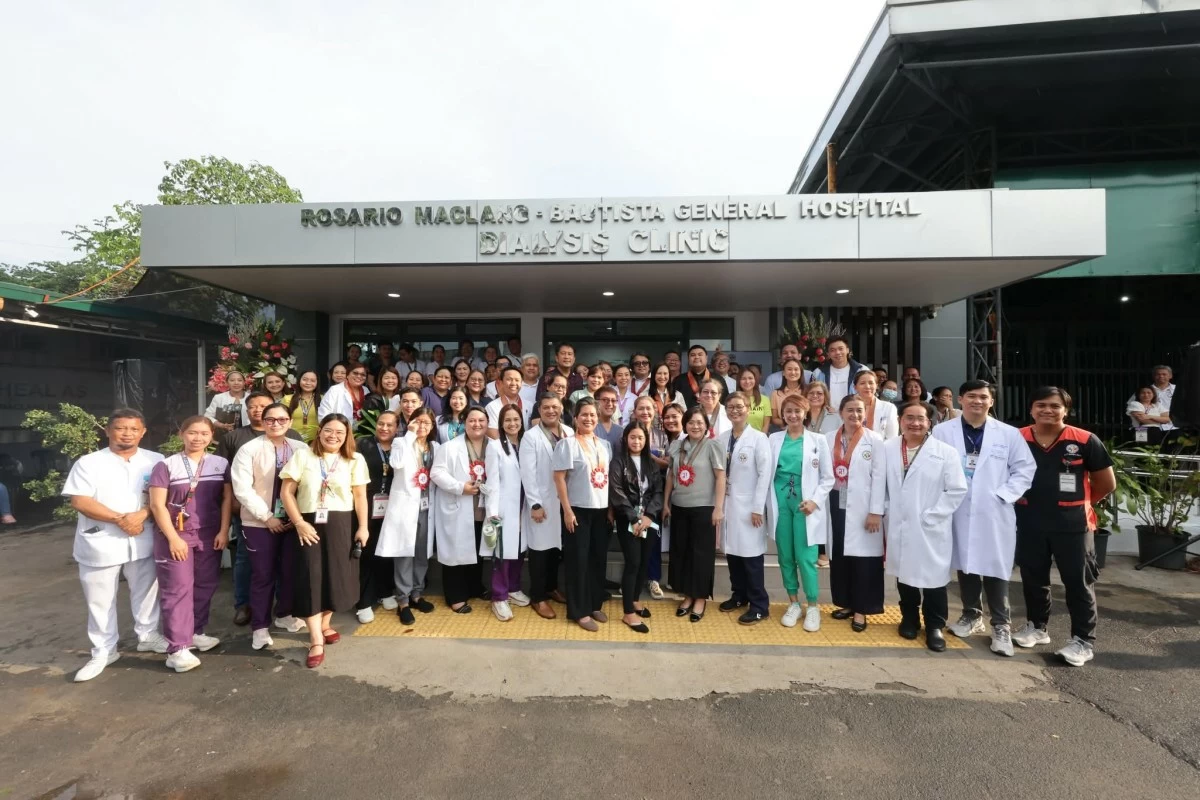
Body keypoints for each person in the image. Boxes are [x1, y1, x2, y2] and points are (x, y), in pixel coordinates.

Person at [1012, 386, 1116, 667]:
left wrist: (1079, 502)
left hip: (1073, 525)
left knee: (1078, 583)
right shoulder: (1017, 438)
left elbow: (1106, 483)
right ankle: (1036, 626)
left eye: (1055, 406)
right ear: (1031, 409)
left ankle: (1082, 641)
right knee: (1033, 578)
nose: (1047, 410)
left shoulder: (1084, 440)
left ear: (1065, 410)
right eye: (1041, 405)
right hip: (1029, 520)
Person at [64, 409, 168, 682]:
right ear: (108, 431)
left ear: (143, 432)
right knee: (100, 600)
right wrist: (120, 519)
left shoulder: (156, 460)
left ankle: (148, 635)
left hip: (143, 537)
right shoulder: (88, 463)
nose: (127, 433)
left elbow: (162, 497)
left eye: (134, 429)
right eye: (121, 428)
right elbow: (80, 501)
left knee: (146, 592)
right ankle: (104, 650)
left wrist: (142, 515)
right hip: (101, 541)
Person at [935, 380, 1037, 657]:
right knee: (965, 562)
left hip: (994, 508)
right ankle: (971, 614)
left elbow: (1025, 468)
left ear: (991, 402)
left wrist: (1004, 495)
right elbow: (933, 466)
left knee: (995, 565)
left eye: (983, 397)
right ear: (960, 399)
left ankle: (1001, 624)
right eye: (971, 396)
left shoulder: (1008, 434)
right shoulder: (942, 431)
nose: (977, 401)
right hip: (956, 506)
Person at [280, 414, 371, 669]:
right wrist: (299, 522)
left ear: (347, 436)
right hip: (308, 523)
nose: (333, 436)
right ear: (320, 432)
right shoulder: (303, 456)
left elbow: (361, 496)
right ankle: (316, 638)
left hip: (342, 524)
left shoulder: (354, 459)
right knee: (311, 576)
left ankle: (325, 623)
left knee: (337, 576)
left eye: (340, 432)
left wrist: (363, 527)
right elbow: (286, 492)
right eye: (328, 430)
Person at [881, 400, 969, 652]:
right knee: (904, 575)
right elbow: (880, 483)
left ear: (929, 423)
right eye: (909, 417)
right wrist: (886, 509)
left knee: (933, 579)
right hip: (899, 522)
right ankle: (909, 618)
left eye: (921, 418)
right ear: (900, 421)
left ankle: (934, 626)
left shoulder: (945, 452)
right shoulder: (888, 448)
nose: (915, 423)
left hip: (931, 525)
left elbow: (956, 489)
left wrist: (934, 514)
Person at [147, 416, 231, 672]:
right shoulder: (167, 465)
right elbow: (156, 505)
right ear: (181, 434)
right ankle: (177, 648)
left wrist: (224, 530)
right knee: (177, 589)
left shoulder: (219, 463)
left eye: (204, 433)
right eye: (193, 433)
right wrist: (173, 537)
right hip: (176, 535)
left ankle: (195, 632)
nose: (198, 438)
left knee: (205, 585)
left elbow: (227, 499)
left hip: (209, 534)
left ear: (211, 436)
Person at [216, 391, 303, 628]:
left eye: (282, 420)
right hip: (258, 522)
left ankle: (284, 614)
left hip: (292, 520)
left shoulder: (299, 447)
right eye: (270, 420)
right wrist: (267, 517)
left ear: (290, 422)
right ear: (263, 423)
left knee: (288, 571)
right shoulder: (249, 448)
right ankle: (260, 626)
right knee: (262, 575)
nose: (276, 424)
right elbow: (242, 488)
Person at [766, 395, 834, 631]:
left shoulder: (818, 440)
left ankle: (813, 606)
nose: (793, 415)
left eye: (797, 411)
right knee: (785, 556)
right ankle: (793, 602)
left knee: (806, 557)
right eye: (788, 411)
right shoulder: (773, 439)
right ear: (782, 414)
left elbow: (828, 478)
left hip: (806, 505)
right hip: (781, 501)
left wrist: (815, 501)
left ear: (805, 413)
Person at [825, 396, 886, 632]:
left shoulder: (875, 440)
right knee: (840, 556)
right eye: (850, 410)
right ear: (841, 412)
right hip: (836, 503)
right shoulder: (829, 438)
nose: (855, 415)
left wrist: (875, 511)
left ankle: (862, 609)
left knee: (863, 560)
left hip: (863, 507)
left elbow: (880, 478)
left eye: (859, 410)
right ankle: (847, 602)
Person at [552, 397, 612, 631]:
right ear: (575, 418)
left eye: (592, 415)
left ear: (598, 419)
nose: (588, 418)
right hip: (577, 510)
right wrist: (567, 511)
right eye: (584, 414)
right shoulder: (567, 444)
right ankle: (578, 610)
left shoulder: (603, 445)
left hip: (601, 510)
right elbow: (559, 478)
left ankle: (594, 603)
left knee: (597, 559)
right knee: (578, 561)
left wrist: (610, 510)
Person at [663, 405, 727, 622]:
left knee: (701, 555)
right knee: (682, 552)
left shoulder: (712, 446)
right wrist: (665, 503)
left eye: (700, 422)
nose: (695, 426)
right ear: (685, 425)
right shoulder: (676, 446)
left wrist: (718, 508)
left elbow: (720, 477)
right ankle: (688, 595)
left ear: (706, 426)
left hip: (704, 508)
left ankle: (700, 598)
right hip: (679, 506)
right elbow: (671, 476)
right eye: (691, 422)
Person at [378, 408, 439, 625]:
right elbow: (396, 464)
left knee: (421, 552)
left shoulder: (435, 447)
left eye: (426, 423)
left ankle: (416, 593)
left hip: (426, 507)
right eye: (418, 422)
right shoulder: (401, 443)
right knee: (404, 552)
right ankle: (403, 600)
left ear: (432, 427)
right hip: (405, 506)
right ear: (411, 422)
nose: (422, 426)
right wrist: (410, 434)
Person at [718, 392, 772, 625]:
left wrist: (758, 507)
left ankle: (759, 604)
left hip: (750, 505)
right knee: (733, 554)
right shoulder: (721, 438)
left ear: (748, 409)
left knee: (751, 557)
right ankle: (738, 595)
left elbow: (764, 475)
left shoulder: (759, 439)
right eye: (730, 407)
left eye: (739, 406)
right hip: (728, 504)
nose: (735, 410)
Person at [431, 407, 491, 612]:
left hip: (482, 506)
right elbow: (437, 473)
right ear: (464, 423)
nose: (477, 424)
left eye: (481, 420)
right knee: (455, 552)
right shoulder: (449, 447)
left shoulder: (492, 446)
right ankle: (455, 596)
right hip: (459, 504)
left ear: (487, 423)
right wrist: (460, 487)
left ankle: (475, 587)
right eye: (472, 420)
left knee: (477, 549)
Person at [520, 393, 573, 619]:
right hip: (542, 501)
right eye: (546, 408)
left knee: (556, 550)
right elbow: (527, 473)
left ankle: (551, 588)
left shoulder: (569, 432)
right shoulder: (531, 437)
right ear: (539, 410)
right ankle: (538, 597)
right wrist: (535, 504)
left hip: (566, 501)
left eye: (555, 407)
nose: (551, 411)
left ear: (561, 408)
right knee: (540, 551)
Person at [610, 422, 664, 634]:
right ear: (625, 439)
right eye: (632, 437)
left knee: (643, 561)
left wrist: (649, 515)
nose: (636, 441)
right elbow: (617, 492)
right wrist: (634, 518)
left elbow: (658, 491)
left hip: (648, 520)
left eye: (640, 438)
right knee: (632, 562)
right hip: (628, 521)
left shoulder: (650, 462)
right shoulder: (618, 462)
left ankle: (634, 600)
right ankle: (627, 612)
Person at [352, 410, 401, 624]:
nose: (384, 428)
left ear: (397, 428)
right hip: (366, 504)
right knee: (366, 553)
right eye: (381, 423)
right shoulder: (363, 444)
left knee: (386, 551)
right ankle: (363, 601)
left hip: (392, 506)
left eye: (390, 425)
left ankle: (385, 591)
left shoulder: (399, 447)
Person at [483, 405, 530, 620]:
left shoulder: (526, 443)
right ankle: (499, 597)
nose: (512, 423)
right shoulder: (495, 447)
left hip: (524, 503)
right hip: (504, 505)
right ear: (501, 423)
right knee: (502, 553)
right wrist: (493, 512)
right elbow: (491, 480)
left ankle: (513, 588)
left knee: (519, 550)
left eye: (516, 419)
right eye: (508, 420)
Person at [813, 336, 866, 408]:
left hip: (854, 415)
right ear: (828, 354)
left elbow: (869, 395)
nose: (837, 352)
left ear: (847, 350)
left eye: (841, 349)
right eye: (832, 350)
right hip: (827, 416)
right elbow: (812, 396)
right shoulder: (818, 373)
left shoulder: (861, 371)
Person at [318, 362, 371, 432]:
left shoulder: (366, 390)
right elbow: (324, 414)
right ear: (348, 375)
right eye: (355, 373)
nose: (359, 376)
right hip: (339, 432)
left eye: (363, 374)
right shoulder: (335, 390)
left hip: (362, 432)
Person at [852, 370, 899, 439]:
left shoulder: (889, 408)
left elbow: (892, 437)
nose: (867, 386)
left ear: (876, 386)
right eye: (862, 383)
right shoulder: (848, 406)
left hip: (880, 447)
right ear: (855, 387)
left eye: (871, 383)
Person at [283, 370, 323, 443]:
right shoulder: (288, 399)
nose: (308, 383)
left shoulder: (323, 399)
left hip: (316, 440)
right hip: (292, 439)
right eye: (305, 379)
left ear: (317, 383)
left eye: (312, 380)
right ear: (299, 381)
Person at [486, 367, 527, 439]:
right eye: (509, 379)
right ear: (501, 383)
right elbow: (493, 434)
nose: (513, 383)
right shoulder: (492, 407)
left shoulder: (529, 405)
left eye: (517, 380)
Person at [769, 358, 806, 430]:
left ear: (801, 372)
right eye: (789, 369)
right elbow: (774, 419)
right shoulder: (776, 394)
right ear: (783, 373)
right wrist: (790, 422)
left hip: (806, 431)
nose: (793, 372)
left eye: (796, 369)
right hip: (783, 432)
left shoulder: (807, 392)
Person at [594, 385, 626, 457]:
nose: (610, 404)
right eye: (605, 400)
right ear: (596, 402)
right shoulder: (590, 428)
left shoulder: (620, 431)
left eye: (613, 400)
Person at [739, 369, 771, 433]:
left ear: (755, 380)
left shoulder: (765, 399)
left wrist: (761, 439)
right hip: (739, 439)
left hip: (759, 439)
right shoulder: (734, 399)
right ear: (739, 381)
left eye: (750, 378)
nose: (747, 381)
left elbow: (766, 424)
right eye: (743, 379)